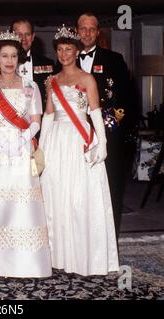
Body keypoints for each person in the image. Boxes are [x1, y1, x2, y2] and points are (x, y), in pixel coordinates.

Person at [0, 31, 52, 278]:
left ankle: (28, 264)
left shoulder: (31, 86)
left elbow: (36, 122)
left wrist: (22, 140)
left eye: (14, 56)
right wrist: (2, 141)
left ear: (20, 58)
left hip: (22, 150)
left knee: (22, 206)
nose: (9, 60)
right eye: (4, 55)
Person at [39, 25, 119, 276]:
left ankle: (82, 258)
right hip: (55, 142)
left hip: (79, 139)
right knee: (56, 197)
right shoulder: (51, 80)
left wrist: (102, 144)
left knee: (78, 199)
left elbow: (95, 112)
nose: (64, 54)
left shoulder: (87, 79)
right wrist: (40, 148)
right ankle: (58, 256)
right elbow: (49, 114)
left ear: (76, 52)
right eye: (60, 49)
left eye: (69, 49)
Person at [76, 13, 131, 236]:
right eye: (83, 28)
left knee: (110, 189)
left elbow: (127, 99)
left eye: (92, 29)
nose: (87, 33)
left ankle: (109, 241)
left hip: (108, 134)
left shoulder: (114, 59)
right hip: (76, 136)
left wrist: (111, 125)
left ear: (98, 32)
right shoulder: (65, 59)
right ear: (76, 31)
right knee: (80, 191)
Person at [10, 19, 55, 112]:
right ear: (11, 36)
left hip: (41, 118)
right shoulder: (2, 64)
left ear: (33, 37)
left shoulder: (47, 63)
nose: (23, 39)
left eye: (27, 34)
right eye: (19, 34)